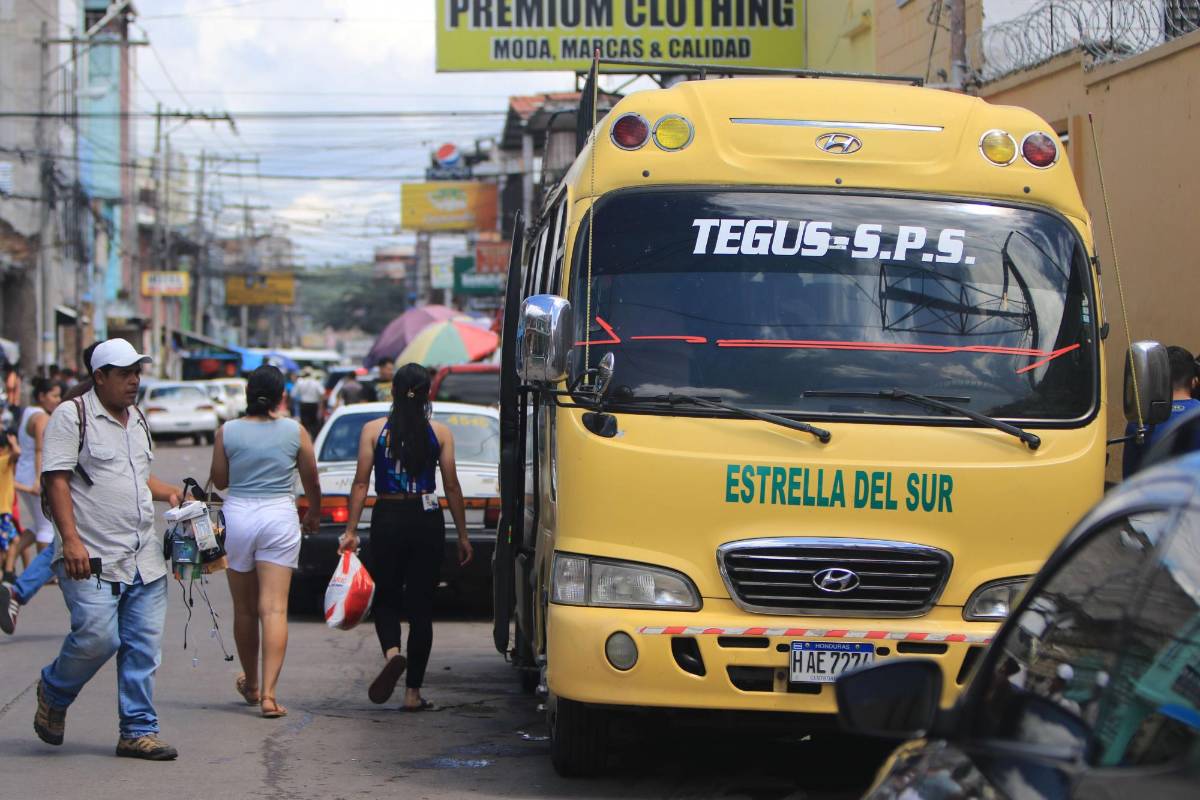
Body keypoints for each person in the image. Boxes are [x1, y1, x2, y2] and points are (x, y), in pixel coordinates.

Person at [34, 338, 183, 760]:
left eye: (138, 371)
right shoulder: (72, 415)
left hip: (143, 557)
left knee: (143, 648)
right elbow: (57, 479)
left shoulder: (136, 417)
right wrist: (71, 540)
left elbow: (136, 476)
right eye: (124, 373)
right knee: (98, 638)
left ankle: (138, 730)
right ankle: (55, 690)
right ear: (99, 377)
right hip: (92, 555)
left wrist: (169, 492)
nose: (134, 381)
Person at [339, 363, 471, 710]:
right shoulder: (439, 433)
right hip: (427, 520)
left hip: (387, 516)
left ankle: (393, 654)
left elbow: (361, 483)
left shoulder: (373, 430)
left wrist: (351, 530)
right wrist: (463, 534)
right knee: (421, 607)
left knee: (386, 596)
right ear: (427, 393)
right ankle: (412, 694)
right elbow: (452, 486)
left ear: (392, 392)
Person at [207, 365, 321, 719]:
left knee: (244, 609)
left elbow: (221, 482)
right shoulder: (295, 431)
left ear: (247, 394)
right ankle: (270, 696)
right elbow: (311, 480)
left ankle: (252, 685)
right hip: (278, 516)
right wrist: (313, 513)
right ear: (281, 396)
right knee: (274, 609)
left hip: (238, 516)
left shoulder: (227, 431)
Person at [3, 378, 63, 582]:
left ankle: (8, 556)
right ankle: (45, 573)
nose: (58, 400)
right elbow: (40, 449)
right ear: (41, 396)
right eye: (54, 396)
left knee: (38, 526)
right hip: (32, 478)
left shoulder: (28, 412)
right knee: (46, 526)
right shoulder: (41, 418)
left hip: (23, 474)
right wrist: (39, 479)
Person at [1122, 345, 1200, 477]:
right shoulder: (1195, 417)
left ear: (1157, 380)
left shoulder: (1139, 420)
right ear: (1194, 382)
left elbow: (1130, 478)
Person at [294, 368, 324, 438]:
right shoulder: (316, 382)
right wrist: (321, 404)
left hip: (304, 404)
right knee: (313, 424)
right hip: (313, 405)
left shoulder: (300, 382)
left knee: (305, 424)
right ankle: (313, 440)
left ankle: (305, 438)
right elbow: (322, 393)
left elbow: (294, 394)